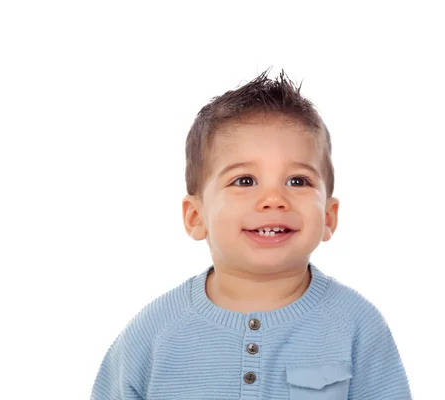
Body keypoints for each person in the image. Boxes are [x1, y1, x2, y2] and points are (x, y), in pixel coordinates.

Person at [90, 69, 412, 399]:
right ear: (196, 217)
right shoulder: (154, 332)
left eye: (298, 181)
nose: (273, 200)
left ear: (329, 217)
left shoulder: (357, 325)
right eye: (244, 181)